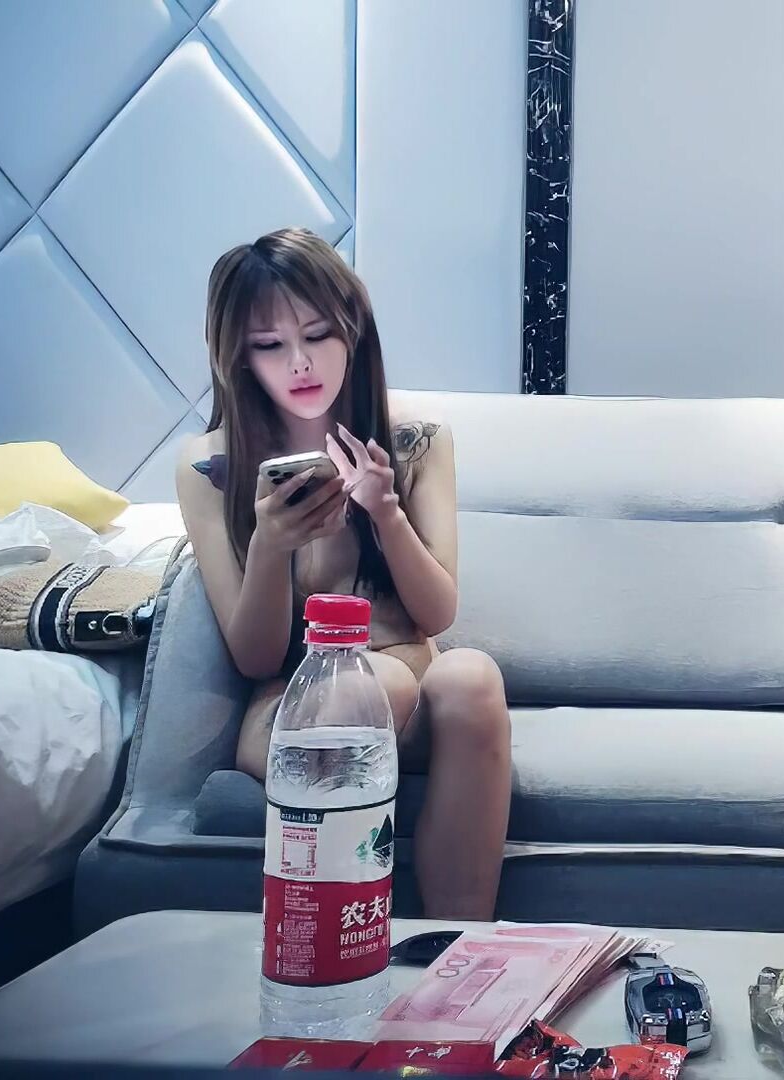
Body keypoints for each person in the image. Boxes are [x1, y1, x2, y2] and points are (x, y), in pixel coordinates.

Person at [176, 227, 511, 919]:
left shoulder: (416, 441)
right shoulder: (209, 466)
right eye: (269, 345)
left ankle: (459, 941)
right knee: (372, 680)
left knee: (471, 674)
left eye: (317, 334)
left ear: (352, 328)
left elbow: (437, 612)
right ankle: (336, 942)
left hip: (412, 686)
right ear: (238, 357)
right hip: (296, 706)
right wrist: (270, 546)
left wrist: (386, 512)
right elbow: (254, 657)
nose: (299, 363)